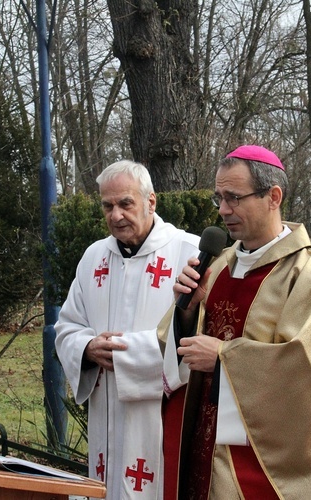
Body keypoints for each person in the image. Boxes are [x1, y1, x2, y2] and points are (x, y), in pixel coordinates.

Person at [158, 145, 311, 499]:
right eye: (218, 197)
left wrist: (224, 358)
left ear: (273, 197)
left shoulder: (308, 276)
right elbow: (181, 347)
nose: (223, 210)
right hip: (203, 447)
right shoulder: (217, 265)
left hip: (259, 463)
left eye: (234, 197)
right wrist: (186, 313)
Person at [54, 160, 200, 499]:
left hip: (161, 411)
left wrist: (123, 355)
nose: (116, 215)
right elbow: (68, 326)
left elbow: (199, 335)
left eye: (125, 203)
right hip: (106, 411)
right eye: (108, 205)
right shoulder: (93, 258)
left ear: (151, 202)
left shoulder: (187, 253)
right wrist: (88, 348)